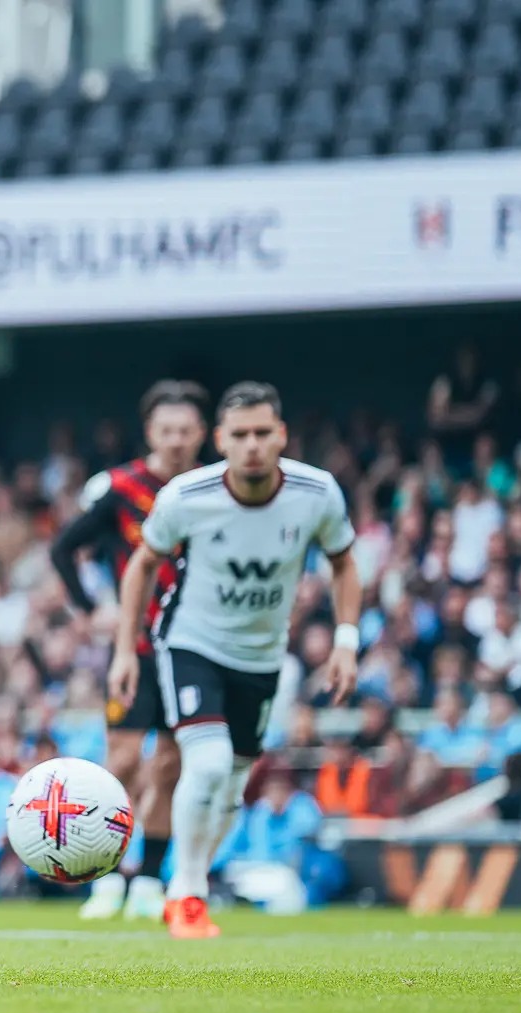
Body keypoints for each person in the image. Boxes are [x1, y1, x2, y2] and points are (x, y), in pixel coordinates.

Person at [109, 382, 360, 939]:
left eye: (262, 433)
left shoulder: (316, 492)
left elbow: (344, 562)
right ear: (220, 440)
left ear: (282, 436)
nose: (252, 445)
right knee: (210, 763)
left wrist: (346, 640)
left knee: (233, 783)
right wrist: (127, 650)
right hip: (191, 644)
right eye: (240, 435)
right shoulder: (186, 496)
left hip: (262, 657)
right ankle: (186, 894)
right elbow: (141, 566)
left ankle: (190, 882)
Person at [47, 379, 207, 921]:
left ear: (202, 433)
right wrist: (90, 608)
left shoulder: (213, 490)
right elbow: (65, 548)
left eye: (186, 430)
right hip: (134, 650)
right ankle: (108, 875)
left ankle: (149, 880)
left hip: (192, 649)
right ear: (150, 433)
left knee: (169, 765)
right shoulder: (123, 489)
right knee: (120, 762)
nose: (178, 440)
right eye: (168, 430)